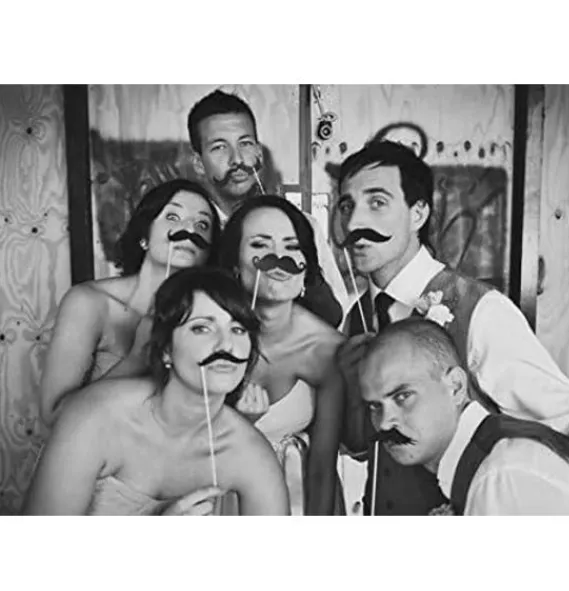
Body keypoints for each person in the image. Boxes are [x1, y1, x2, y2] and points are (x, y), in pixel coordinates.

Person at [336, 140, 569, 515]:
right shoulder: (354, 317)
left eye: (376, 202)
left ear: (418, 213)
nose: (354, 223)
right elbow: (363, 446)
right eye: (347, 206)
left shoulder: (480, 309)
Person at [24, 267, 290, 515]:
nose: (226, 344)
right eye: (202, 328)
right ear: (165, 350)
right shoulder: (96, 416)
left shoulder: (251, 454)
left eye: (238, 329)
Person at [359, 318, 569, 515]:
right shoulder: (492, 461)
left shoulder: (501, 475)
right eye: (374, 406)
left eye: (403, 396)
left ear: (456, 386)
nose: (384, 423)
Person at [40, 179, 221, 426]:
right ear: (144, 236)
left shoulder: (210, 317)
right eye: (173, 217)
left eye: (202, 224)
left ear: (208, 252)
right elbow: (54, 415)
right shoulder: (89, 303)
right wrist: (137, 358)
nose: (190, 229)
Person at [219, 195, 345, 515]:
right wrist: (240, 425)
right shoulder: (206, 332)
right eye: (260, 245)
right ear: (234, 264)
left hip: (296, 499)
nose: (278, 258)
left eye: (292, 247)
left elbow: (322, 467)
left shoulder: (327, 349)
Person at [187, 89, 349, 326]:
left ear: (259, 153)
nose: (237, 159)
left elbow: (337, 313)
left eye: (245, 144)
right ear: (199, 163)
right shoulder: (190, 236)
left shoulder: (302, 226)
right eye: (219, 147)